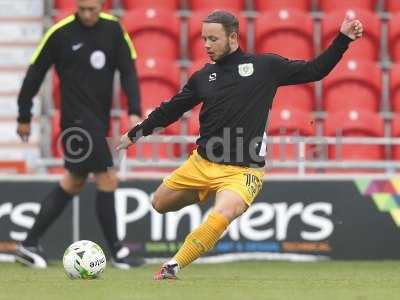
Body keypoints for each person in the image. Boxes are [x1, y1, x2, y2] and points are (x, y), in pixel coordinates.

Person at [117, 10, 363, 279]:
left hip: (243, 171)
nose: (207, 45)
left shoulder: (265, 67)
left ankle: (173, 266)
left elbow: (315, 70)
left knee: (223, 213)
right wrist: (136, 133)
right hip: (201, 163)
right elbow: (171, 110)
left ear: (233, 37)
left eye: (213, 39)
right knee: (158, 203)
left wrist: (343, 39)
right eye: (204, 39)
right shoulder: (203, 77)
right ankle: (205, 192)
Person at [15, 0, 143, 269]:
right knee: (107, 178)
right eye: (82, 9)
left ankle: (28, 244)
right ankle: (118, 252)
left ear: (101, 6)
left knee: (73, 182)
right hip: (75, 122)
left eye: (92, 9)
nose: (87, 15)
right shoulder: (60, 33)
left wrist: (134, 110)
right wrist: (24, 114)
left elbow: (129, 70)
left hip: (99, 120)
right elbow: (35, 72)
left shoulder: (113, 30)